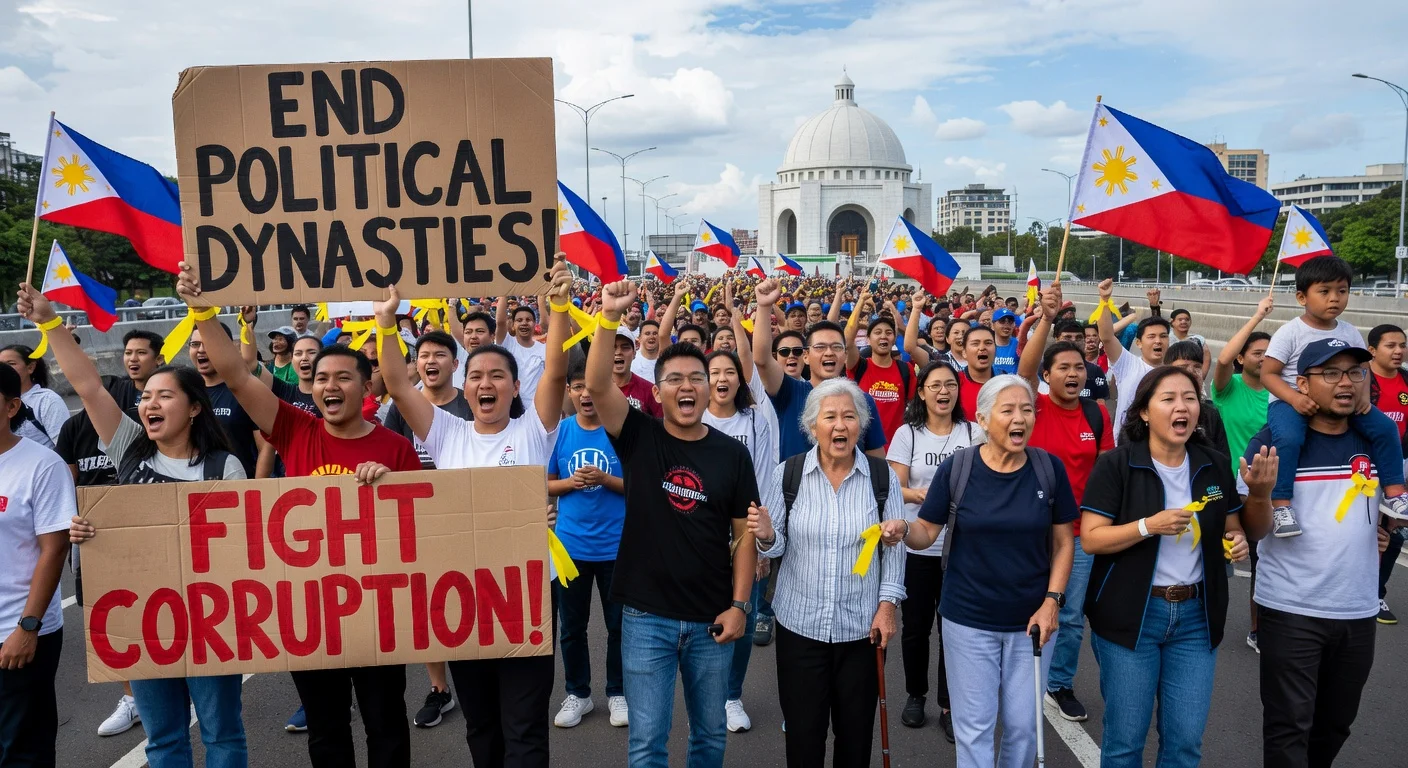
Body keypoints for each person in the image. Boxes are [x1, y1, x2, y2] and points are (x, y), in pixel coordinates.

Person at [175, 267, 420, 768]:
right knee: (326, 729)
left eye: (343, 378)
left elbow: (420, 525)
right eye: (321, 378)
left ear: (365, 384)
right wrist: (204, 313)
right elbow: (239, 376)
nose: (329, 386)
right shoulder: (294, 428)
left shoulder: (395, 447)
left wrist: (391, 486)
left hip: (377, 611)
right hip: (312, 610)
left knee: (386, 723)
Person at [19, 284, 248, 768]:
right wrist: (49, 321)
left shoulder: (223, 467)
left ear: (194, 408)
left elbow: (241, 547)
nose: (149, 403)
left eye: (165, 395)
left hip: (210, 621)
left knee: (222, 735)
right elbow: (88, 386)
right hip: (144, 621)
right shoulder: (127, 449)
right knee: (164, 740)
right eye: (145, 396)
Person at [375, 265, 572, 768]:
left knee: (524, 724)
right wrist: (384, 324)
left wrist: (561, 307)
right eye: (476, 376)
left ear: (513, 388)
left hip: (526, 588)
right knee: (482, 722)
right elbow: (398, 386)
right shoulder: (446, 433)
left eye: (497, 376)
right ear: (465, 389)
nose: (486, 384)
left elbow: (554, 372)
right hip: (461, 592)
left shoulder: (534, 431)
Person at [587, 278, 759, 768]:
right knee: (647, 744)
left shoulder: (732, 455)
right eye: (675, 379)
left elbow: (743, 533)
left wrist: (740, 606)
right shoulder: (637, 435)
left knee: (708, 740)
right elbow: (599, 383)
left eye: (696, 378)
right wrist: (607, 317)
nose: (687, 386)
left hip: (711, 618)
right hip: (645, 618)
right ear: (656, 391)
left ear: (709, 388)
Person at [1079, 365, 1261, 767]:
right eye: (1169, 399)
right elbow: (1091, 538)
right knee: (1125, 743)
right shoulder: (1117, 464)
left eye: (1190, 398)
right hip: (1132, 618)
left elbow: (1232, 525)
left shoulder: (1213, 464)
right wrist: (1148, 525)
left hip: (1197, 617)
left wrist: (1238, 541)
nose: (1182, 407)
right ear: (1144, 412)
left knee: (1184, 745)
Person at [897, 375, 1076, 768]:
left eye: (1027, 409)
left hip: (1032, 622)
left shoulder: (1049, 470)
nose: (1020, 418)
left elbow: (1064, 543)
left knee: (1025, 727)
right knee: (974, 727)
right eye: (1008, 410)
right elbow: (927, 531)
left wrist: (1052, 601)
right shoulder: (958, 468)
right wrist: (903, 530)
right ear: (982, 419)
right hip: (968, 620)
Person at [1239, 339, 1388, 767]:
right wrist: (1262, 496)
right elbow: (1254, 530)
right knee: (1290, 727)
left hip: (1358, 610)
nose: (1346, 383)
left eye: (1355, 373)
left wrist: (1380, 529)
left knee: (1336, 724)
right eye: (1332, 374)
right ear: (1302, 384)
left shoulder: (1375, 440)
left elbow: (1390, 506)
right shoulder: (1272, 444)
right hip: (1291, 609)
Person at [747, 377, 905, 767]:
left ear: (860, 424)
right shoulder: (789, 474)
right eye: (830, 417)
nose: (840, 426)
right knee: (804, 735)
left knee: (854, 737)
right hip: (801, 628)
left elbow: (894, 552)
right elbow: (776, 545)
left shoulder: (882, 479)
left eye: (849, 417)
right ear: (812, 425)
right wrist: (767, 536)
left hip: (861, 631)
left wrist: (887, 607)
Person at [1015, 285, 1114, 723]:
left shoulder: (1098, 415)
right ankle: (1017, 676)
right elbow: (1024, 368)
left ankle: (1058, 683)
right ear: (1048, 375)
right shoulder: (1031, 407)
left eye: (1080, 367)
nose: (1074, 374)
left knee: (1070, 616)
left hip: (1075, 537)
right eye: (1064, 367)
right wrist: (1047, 320)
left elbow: (1107, 475)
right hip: (1026, 530)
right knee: (1019, 608)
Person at [1260, 256, 1408, 536]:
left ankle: (1395, 493)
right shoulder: (1290, 332)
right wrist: (1294, 399)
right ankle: (1281, 504)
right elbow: (1268, 374)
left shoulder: (1349, 331)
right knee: (1290, 439)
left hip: (1341, 401)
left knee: (1386, 427)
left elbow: (1363, 368)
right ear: (1302, 297)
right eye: (1325, 291)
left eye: (1342, 291)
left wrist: (1363, 396)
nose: (1335, 299)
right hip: (1291, 402)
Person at [888, 360, 982, 741]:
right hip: (918, 548)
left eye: (950, 385)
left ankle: (948, 703)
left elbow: (983, 480)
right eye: (935, 385)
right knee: (915, 629)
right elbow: (897, 486)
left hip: (961, 552)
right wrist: (930, 495)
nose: (944, 392)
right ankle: (915, 693)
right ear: (922, 391)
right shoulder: (907, 434)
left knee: (954, 632)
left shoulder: (973, 432)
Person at [0, 360, 73, 768]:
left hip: (19, 629)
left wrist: (27, 627)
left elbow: (54, 548)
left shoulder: (41, 465)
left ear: (12, 407)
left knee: (22, 748)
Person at [548, 361, 628, 730]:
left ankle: (618, 692)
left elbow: (640, 485)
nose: (585, 394)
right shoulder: (560, 432)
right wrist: (571, 484)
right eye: (577, 386)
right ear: (569, 392)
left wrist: (604, 479)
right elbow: (544, 483)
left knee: (619, 627)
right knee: (571, 628)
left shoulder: (621, 432)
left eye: (591, 386)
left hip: (617, 548)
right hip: (570, 549)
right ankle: (578, 693)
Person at [702, 344, 777, 733]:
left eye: (729, 371)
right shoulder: (689, 419)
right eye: (713, 372)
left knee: (743, 616)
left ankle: (732, 695)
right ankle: (707, 695)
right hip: (699, 538)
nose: (721, 379)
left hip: (744, 537)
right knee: (702, 619)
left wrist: (760, 543)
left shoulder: (754, 423)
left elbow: (763, 482)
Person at [752, 279, 886, 461]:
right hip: (797, 489)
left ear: (845, 355)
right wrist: (764, 306)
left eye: (836, 347)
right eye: (821, 347)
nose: (829, 353)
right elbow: (762, 360)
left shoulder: (862, 401)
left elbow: (877, 462)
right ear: (806, 356)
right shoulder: (790, 392)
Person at [1210, 298, 1274, 648]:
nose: (1263, 357)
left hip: (1263, 492)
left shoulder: (1281, 394)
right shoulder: (1228, 388)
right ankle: (1205, 622)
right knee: (1221, 562)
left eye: (1269, 352)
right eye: (1256, 352)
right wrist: (1257, 316)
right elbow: (1220, 360)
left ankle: (1258, 629)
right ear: (1241, 358)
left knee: (1263, 562)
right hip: (1227, 490)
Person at [1367, 323, 1408, 624]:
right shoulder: (1361, 381)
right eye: (1391, 345)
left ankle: (1376, 593)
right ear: (1372, 350)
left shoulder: (1407, 380)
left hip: (1399, 469)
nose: (1398, 351)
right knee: (1366, 532)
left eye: (1402, 345)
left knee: (1393, 535)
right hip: (1363, 470)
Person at [1096, 278, 1169, 445]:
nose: (1158, 341)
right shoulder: (1127, 363)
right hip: (1125, 447)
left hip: (1160, 448)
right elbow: (1106, 336)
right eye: (1151, 337)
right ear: (1139, 343)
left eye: (1163, 336)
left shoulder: (1174, 373)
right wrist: (1104, 301)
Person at [846, 295, 912, 445]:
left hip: (897, 450)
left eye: (888, 333)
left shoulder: (905, 369)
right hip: (862, 448)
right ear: (868, 339)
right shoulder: (859, 366)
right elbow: (848, 340)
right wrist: (861, 301)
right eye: (877, 332)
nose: (883, 336)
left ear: (894, 339)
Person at [1163, 341, 1232, 457]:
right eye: (1183, 367)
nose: (1192, 372)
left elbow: (1222, 460)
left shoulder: (1211, 414)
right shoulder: (1157, 409)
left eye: (1197, 367)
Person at [0, 345, 69, 448]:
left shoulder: (46, 400)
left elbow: (65, 446)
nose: (4, 369)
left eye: (11, 364)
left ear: (30, 367)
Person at [496, 300, 548, 407]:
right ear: (513, 325)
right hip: (510, 408)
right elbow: (500, 322)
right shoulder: (507, 343)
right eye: (519, 320)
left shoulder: (544, 348)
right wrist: (502, 289)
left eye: (528, 320)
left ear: (534, 324)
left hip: (536, 409)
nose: (524, 323)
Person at [609, 328, 662, 417]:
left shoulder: (649, 390)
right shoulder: (597, 390)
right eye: (613, 347)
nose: (618, 352)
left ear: (634, 353)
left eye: (625, 347)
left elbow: (661, 425)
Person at [955, 325, 996, 417]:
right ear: (964, 353)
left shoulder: (1006, 381)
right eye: (975, 343)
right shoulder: (954, 383)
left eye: (988, 343)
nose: (982, 348)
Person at [1168, 308, 1210, 379]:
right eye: (1180, 320)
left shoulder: (1198, 339)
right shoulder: (1166, 338)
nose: (1184, 322)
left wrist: (1201, 377)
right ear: (1172, 322)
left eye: (1187, 319)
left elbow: (1207, 359)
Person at [990, 308, 1020, 374]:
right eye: (1002, 321)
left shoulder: (1019, 346)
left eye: (1010, 321)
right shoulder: (986, 346)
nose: (1006, 325)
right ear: (992, 325)